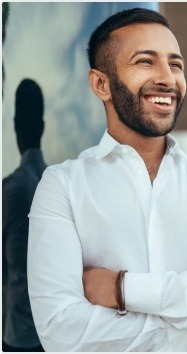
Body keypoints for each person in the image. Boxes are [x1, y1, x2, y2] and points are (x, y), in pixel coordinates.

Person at [27, 8, 187, 352]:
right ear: (101, 84)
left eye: (175, 64)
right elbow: (61, 332)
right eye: (145, 61)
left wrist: (122, 290)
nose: (167, 78)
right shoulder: (62, 186)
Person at [2, 79, 46, 352]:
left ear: (15, 127)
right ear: (43, 127)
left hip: (20, 337)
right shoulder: (60, 184)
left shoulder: (10, 190)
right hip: (56, 336)